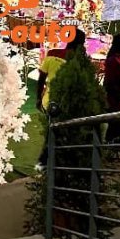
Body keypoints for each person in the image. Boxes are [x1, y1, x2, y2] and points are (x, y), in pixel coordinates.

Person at [35, 30, 86, 168]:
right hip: (65, 104)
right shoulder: (78, 62)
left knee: (53, 130)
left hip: (48, 101)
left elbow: (41, 80)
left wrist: (38, 99)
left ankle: (47, 160)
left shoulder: (52, 54)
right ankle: (48, 160)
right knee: (58, 132)